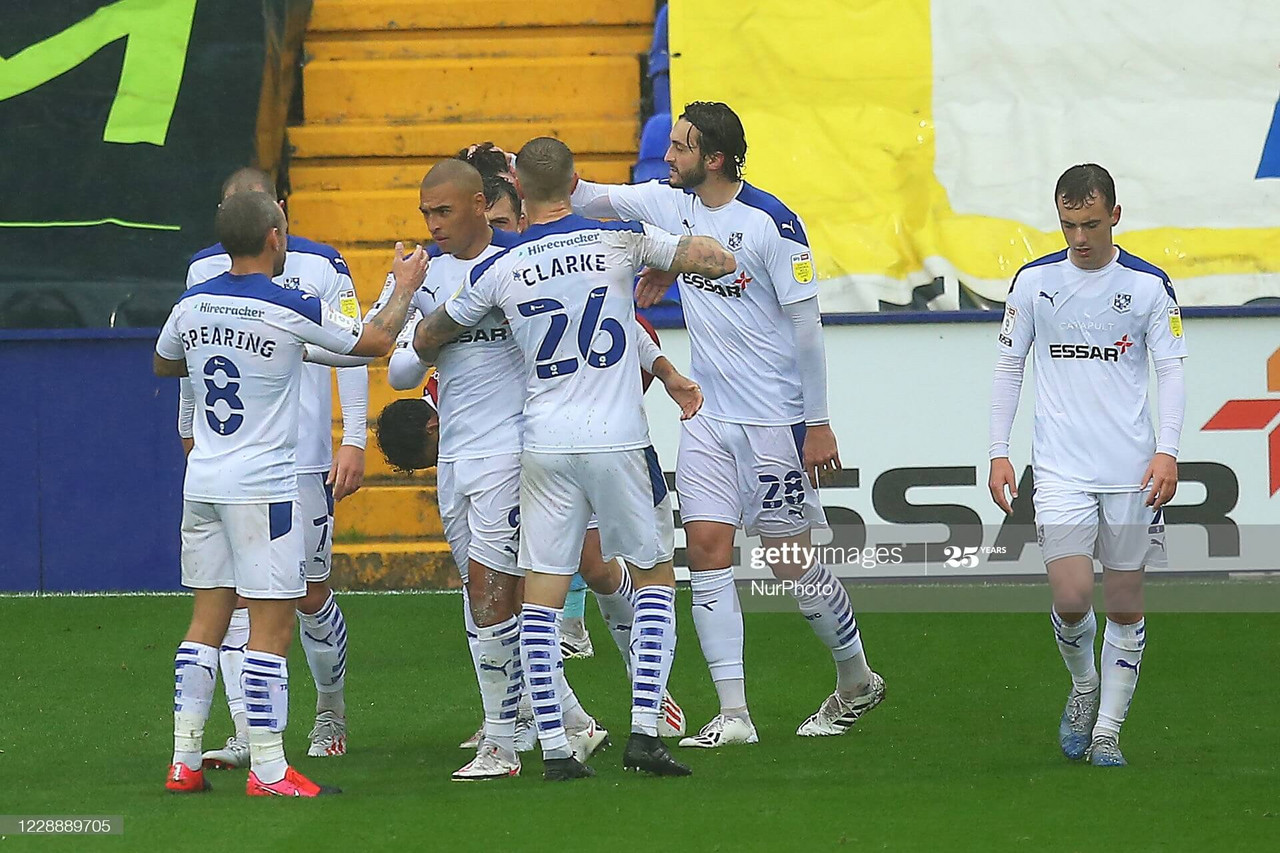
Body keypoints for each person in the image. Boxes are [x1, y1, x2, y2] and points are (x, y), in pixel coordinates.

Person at [412, 137, 732, 778]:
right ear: (576, 182)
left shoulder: (499, 269)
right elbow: (716, 259)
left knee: (543, 595)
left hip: (543, 442)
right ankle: (645, 730)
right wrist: (668, 263)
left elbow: (427, 335)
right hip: (617, 436)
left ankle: (556, 747)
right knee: (651, 576)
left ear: (518, 193)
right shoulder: (620, 240)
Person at [570, 101, 884, 746]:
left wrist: (816, 423)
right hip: (708, 416)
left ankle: (855, 677)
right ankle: (734, 714)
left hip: (774, 422)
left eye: (681, 146)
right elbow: (588, 198)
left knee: (790, 561)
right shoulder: (666, 204)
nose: (669, 156)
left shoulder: (773, 224)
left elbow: (806, 330)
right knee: (707, 553)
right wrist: (519, 169)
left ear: (713, 158)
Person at [155, 191, 427, 796]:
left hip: (204, 479)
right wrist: (403, 284)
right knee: (271, 629)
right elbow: (375, 340)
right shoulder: (288, 306)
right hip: (266, 486)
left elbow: (164, 363)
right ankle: (271, 770)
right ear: (276, 237)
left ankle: (184, 762)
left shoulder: (191, 304)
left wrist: (219, 351)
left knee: (206, 621)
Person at [987, 163, 1187, 767]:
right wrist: (999, 449)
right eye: (1069, 224)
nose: (1080, 237)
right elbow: (1008, 366)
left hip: (1131, 471)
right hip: (1061, 470)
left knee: (1124, 605)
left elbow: (1171, 369)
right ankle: (1083, 687)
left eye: (1092, 223)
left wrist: (1168, 450)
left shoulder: (1150, 286)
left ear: (1115, 217)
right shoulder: (1033, 283)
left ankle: (1107, 731)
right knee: (1073, 598)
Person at [182, 168, 366, 769]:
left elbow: (353, 348)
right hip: (240, 467)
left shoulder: (323, 265)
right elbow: (189, 362)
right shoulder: (203, 272)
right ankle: (250, 735)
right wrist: (189, 431)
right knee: (238, 602)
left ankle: (330, 712)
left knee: (306, 596)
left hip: (304, 459)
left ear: (278, 215)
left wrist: (354, 438)